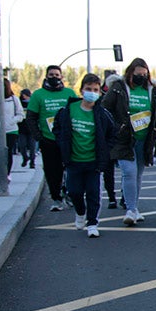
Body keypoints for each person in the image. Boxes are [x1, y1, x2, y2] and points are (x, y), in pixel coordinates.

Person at [101, 57, 156, 227]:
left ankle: (134, 208)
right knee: (128, 172)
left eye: (145, 74)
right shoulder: (118, 88)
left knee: (138, 174)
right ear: (131, 73)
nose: (142, 77)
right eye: (138, 74)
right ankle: (130, 209)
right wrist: (116, 128)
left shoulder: (153, 90)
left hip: (144, 139)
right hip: (124, 139)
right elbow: (105, 109)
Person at [51, 74, 117, 238]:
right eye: (88, 89)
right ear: (81, 90)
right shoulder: (68, 111)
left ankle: (93, 223)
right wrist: (63, 143)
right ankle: (80, 213)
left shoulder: (102, 114)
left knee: (93, 193)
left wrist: (105, 150)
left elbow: (112, 133)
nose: (92, 93)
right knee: (75, 192)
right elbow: (57, 128)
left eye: (95, 90)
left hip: (93, 161)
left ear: (100, 92)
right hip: (73, 160)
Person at [26, 66, 78, 209]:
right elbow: (31, 118)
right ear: (46, 76)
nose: (54, 77)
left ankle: (70, 194)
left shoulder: (69, 93)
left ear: (61, 77)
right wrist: (38, 136)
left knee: (71, 169)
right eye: (51, 75)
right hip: (48, 140)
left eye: (57, 74)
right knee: (51, 170)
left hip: (68, 139)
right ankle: (56, 198)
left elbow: (76, 113)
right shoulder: (38, 95)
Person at [2, 79, 25, 177]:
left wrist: (11, 121)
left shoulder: (13, 99)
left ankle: (7, 174)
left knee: (7, 152)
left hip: (11, 130)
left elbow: (21, 115)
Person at [16, 88, 38, 169]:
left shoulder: (33, 103)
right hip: (21, 128)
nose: (24, 97)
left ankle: (32, 161)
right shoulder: (19, 103)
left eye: (25, 95)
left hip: (31, 128)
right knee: (22, 145)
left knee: (32, 146)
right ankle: (25, 157)